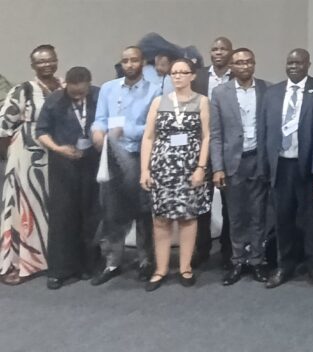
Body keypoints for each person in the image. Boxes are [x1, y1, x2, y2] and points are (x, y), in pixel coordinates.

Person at [91, 45, 161, 285]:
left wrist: (126, 130)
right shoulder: (108, 89)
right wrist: (97, 131)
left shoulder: (154, 91)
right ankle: (112, 262)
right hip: (112, 156)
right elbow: (100, 119)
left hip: (141, 156)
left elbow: (154, 127)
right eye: (125, 61)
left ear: (143, 63)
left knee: (143, 210)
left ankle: (145, 261)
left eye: (134, 60)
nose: (129, 65)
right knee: (111, 210)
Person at [140, 58, 212, 290]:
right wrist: (144, 169)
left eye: (183, 72)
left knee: (188, 218)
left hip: (189, 169)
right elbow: (148, 137)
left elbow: (206, 137)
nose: (178, 76)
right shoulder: (158, 102)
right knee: (161, 220)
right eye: (174, 73)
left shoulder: (202, 101)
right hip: (162, 168)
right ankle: (160, 270)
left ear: (193, 76)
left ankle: (185, 268)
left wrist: (201, 167)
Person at [261, 48, 313, 289]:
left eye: (299, 63)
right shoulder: (272, 93)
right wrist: (265, 167)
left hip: (307, 167)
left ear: (308, 64)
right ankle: (284, 265)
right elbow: (264, 133)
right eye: (290, 62)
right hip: (280, 166)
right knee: (282, 219)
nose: (294, 67)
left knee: (311, 220)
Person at [35, 66, 100, 289]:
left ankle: (87, 265)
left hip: (92, 164)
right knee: (63, 217)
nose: (78, 97)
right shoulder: (54, 101)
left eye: (82, 93)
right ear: (67, 87)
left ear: (89, 85)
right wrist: (58, 149)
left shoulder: (99, 96)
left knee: (90, 215)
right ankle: (59, 270)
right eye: (73, 94)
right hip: (63, 165)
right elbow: (41, 131)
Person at [0, 44, 60, 284]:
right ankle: (18, 263)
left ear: (57, 60)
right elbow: (3, 126)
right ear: (33, 65)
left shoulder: (63, 87)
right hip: (25, 155)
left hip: (55, 156)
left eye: (50, 60)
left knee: (48, 208)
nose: (46, 64)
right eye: (41, 61)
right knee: (24, 208)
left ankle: (47, 260)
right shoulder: (23, 90)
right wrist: (11, 157)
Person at [210, 48, 269, 285]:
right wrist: (217, 168)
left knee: (258, 214)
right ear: (231, 67)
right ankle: (237, 261)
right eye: (239, 63)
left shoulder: (267, 89)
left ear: (254, 64)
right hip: (232, 162)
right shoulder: (220, 93)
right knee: (235, 216)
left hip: (258, 160)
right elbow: (216, 134)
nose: (244, 66)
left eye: (248, 62)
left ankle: (257, 260)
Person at [193, 36, 234, 269]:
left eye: (223, 49)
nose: (218, 52)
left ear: (231, 52)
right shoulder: (198, 77)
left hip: (227, 148)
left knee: (229, 202)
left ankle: (228, 250)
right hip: (201, 147)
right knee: (201, 201)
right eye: (214, 49)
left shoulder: (238, 76)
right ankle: (202, 248)